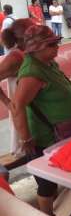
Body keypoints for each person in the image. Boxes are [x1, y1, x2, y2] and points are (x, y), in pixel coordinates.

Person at [11, 25, 71, 215]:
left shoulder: (48, 63)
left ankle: (63, 210)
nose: (57, 46)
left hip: (64, 132)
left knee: (63, 175)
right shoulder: (31, 73)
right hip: (45, 137)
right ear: (37, 48)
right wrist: (25, 139)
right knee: (47, 184)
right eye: (52, 44)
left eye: (57, 42)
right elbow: (17, 106)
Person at [0, 19, 35, 155]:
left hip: (30, 109)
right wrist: (8, 103)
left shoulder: (27, 52)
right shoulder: (15, 57)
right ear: (25, 35)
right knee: (29, 149)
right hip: (23, 110)